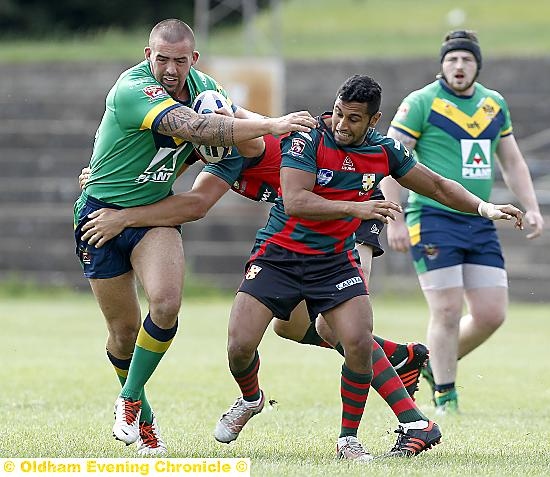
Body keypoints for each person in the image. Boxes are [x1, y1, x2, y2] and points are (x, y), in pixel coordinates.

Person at [212, 74, 523, 461]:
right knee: (242, 345)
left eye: (353, 118)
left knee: (357, 341)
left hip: (335, 259)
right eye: (339, 113)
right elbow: (295, 201)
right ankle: (251, 398)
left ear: (373, 121)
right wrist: (355, 208)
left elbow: (439, 187)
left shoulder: (385, 150)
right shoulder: (307, 136)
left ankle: (348, 440)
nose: (342, 124)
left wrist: (484, 208)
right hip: (280, 254)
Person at [79, 134, 441, 459]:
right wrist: (106, 187)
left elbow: (196, 205)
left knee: (338, 329)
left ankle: (413, 422)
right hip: (301, 236)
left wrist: (123, 218)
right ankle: (401, 356)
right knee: (291, 327)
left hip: (354, 215)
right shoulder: (209, 151)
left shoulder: (269, 140)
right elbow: (156, 180)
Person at [73, 18, 316, 456]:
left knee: (166, 304)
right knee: (123, 332)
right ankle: (145, 418)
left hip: (149, 218)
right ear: (148, 56)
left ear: (193, 59)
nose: (169, 68)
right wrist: (273, 123)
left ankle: (128, 400)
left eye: (179, 60)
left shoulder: (208, 92)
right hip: (98, 215)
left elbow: (222, 143)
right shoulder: (132, 89)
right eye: (161, 58)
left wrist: (258, 124)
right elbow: (197, 130)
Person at [381, 30, 545, 414]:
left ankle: (428, 364)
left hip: (480, 216)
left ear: (477, 65)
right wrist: (395, 218)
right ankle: (445, 395)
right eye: (452, 59)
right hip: (432, 216)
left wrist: (532, 205)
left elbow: (513, 161)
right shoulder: (421, 102)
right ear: (442, 64)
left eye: (466, 59)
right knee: (448, 311)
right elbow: (388, 160)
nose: (458, 66)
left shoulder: (493, 104)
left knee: (491, 314)